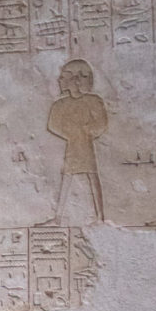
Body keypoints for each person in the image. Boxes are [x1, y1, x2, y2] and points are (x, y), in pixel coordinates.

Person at [43, 59, 107, 224]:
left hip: (85, 144)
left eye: (64, 77)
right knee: (67, 176)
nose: (60, 80)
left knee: (92, 176)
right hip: (73, 144)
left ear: (76, 80)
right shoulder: (60, 104)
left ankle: (100, 217)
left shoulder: (93, 101)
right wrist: (72, 132)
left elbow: (101, 123)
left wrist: (84, 130)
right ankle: (58, 217)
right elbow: (52, 125)